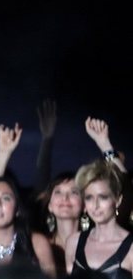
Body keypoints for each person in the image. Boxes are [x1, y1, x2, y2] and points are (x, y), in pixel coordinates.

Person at [65, 119, 132, 278]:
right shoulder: (73, 243)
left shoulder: (131, 248)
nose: (95, 205)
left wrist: (104, 144)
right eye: (89, 198)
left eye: (103, 197)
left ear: (118, 200)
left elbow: (126, 186)